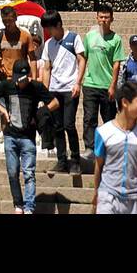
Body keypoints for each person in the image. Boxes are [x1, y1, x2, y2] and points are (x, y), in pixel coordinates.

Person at [0, 58, 59, 214]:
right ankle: (18, 203)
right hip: (10, 136)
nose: (21, 83)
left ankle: (29, 207)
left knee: (29, 173)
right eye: (19, 79)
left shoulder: (36, 87)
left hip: (28, 137)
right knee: (12, 172)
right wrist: (3, 110)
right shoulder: (7, 85)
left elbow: (55, 103)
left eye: (24, 80)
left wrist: (40, 113)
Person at [92, 81, 137, 215]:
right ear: (125, 102)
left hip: (135, 200)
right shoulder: (103, 132)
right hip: (108, 197)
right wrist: (96, 192)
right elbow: (99, 165)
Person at [39, 11, 85, 172]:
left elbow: (81, 60)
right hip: (54, 90)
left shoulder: (73, 38)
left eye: (50, 28)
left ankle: (75, 161)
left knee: (69, 125)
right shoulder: (49, 44)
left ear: (58, 25)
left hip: (70, 88)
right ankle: (61, 160)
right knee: (57, 126)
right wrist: (45, 93)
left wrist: (78, 83)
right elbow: (46, 68)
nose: (49, 32)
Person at [80, 4, 125, 153]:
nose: (104, 20)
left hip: (107, 85)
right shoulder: (89, 36)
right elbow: (83, 58)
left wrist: (113, 85)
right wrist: (79, 80)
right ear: (97, 18)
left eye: (106, 17)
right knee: (89, 118)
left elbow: (117, 64)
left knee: (109, 119)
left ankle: (109, 146)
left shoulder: (116, 39)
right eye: (101, 17)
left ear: (112, 19)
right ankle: (90, 147)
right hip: (90, 84)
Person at [0, 5, 38, 82]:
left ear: (15, 18)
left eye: (9, 20)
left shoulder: (25, 36)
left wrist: (34, 79)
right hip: (2, 78)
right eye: (4, 21)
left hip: (21, 78)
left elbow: (32, 59)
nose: (7, 24)